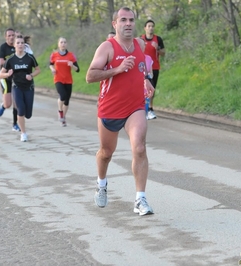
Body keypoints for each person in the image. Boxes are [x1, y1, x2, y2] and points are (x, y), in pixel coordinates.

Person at [86, 7, 155, 216]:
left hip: (134, 106)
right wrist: (117, 69)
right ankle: (101, 183)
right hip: (110, 108)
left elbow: (140, 67)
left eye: (131, 20)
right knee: (106, 153)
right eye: (123, 20)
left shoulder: (140, 44)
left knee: (140, 148)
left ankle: (140, 199)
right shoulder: (106, 48)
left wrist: (146, 81)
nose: (128, 24)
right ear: (114, 24)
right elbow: (90, 76)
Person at [0, 35, 40, 142]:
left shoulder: (30, 57)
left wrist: (31, 75)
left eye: (22, 43)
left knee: (28, 114)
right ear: (14, 45)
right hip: (16, 87)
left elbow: (37, 70)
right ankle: (23, 133)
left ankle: (23, 124)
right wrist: (8, 74)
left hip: (29, 87)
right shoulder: (11, 59)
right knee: (20, 110)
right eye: (18, 43)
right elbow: (1, 75)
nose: (20, 45)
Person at [49, 37, 80, 127]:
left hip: (68, 80)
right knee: (62, 96)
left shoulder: (71, 55)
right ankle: (60, 111)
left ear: (66, 44)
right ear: (58, 44)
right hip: (58, 79)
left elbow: (77, 69)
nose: (63, 44)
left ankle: (63, 118)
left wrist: (72, 66)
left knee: (67, 100)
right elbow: (50, 64)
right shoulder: (54, 55)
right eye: (61, 42)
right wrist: (52, 69)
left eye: (65, 42)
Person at [141, 19, 165, 120]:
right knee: (142, 89)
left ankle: (150, 109)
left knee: (152, 88)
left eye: (152, 26)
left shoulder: (158, 39)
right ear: (145, 28)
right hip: (142, 67)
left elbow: (163, 53)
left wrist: (158, 49)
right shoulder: (140, 39)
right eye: (149, 26)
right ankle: (142, 108)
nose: (151, 28)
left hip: (154, 67)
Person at [0, 28, 20, 132]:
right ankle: (3, 105)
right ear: (6, 37)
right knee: (8, 104)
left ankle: (15, 124)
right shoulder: (3, 47)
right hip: (5, 76)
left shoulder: (18, 46)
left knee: (16, 102)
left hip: (17, 77)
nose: (11, 37)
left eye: (13, 35)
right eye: (9, 35)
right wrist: (14, 62)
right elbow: (1, 61)